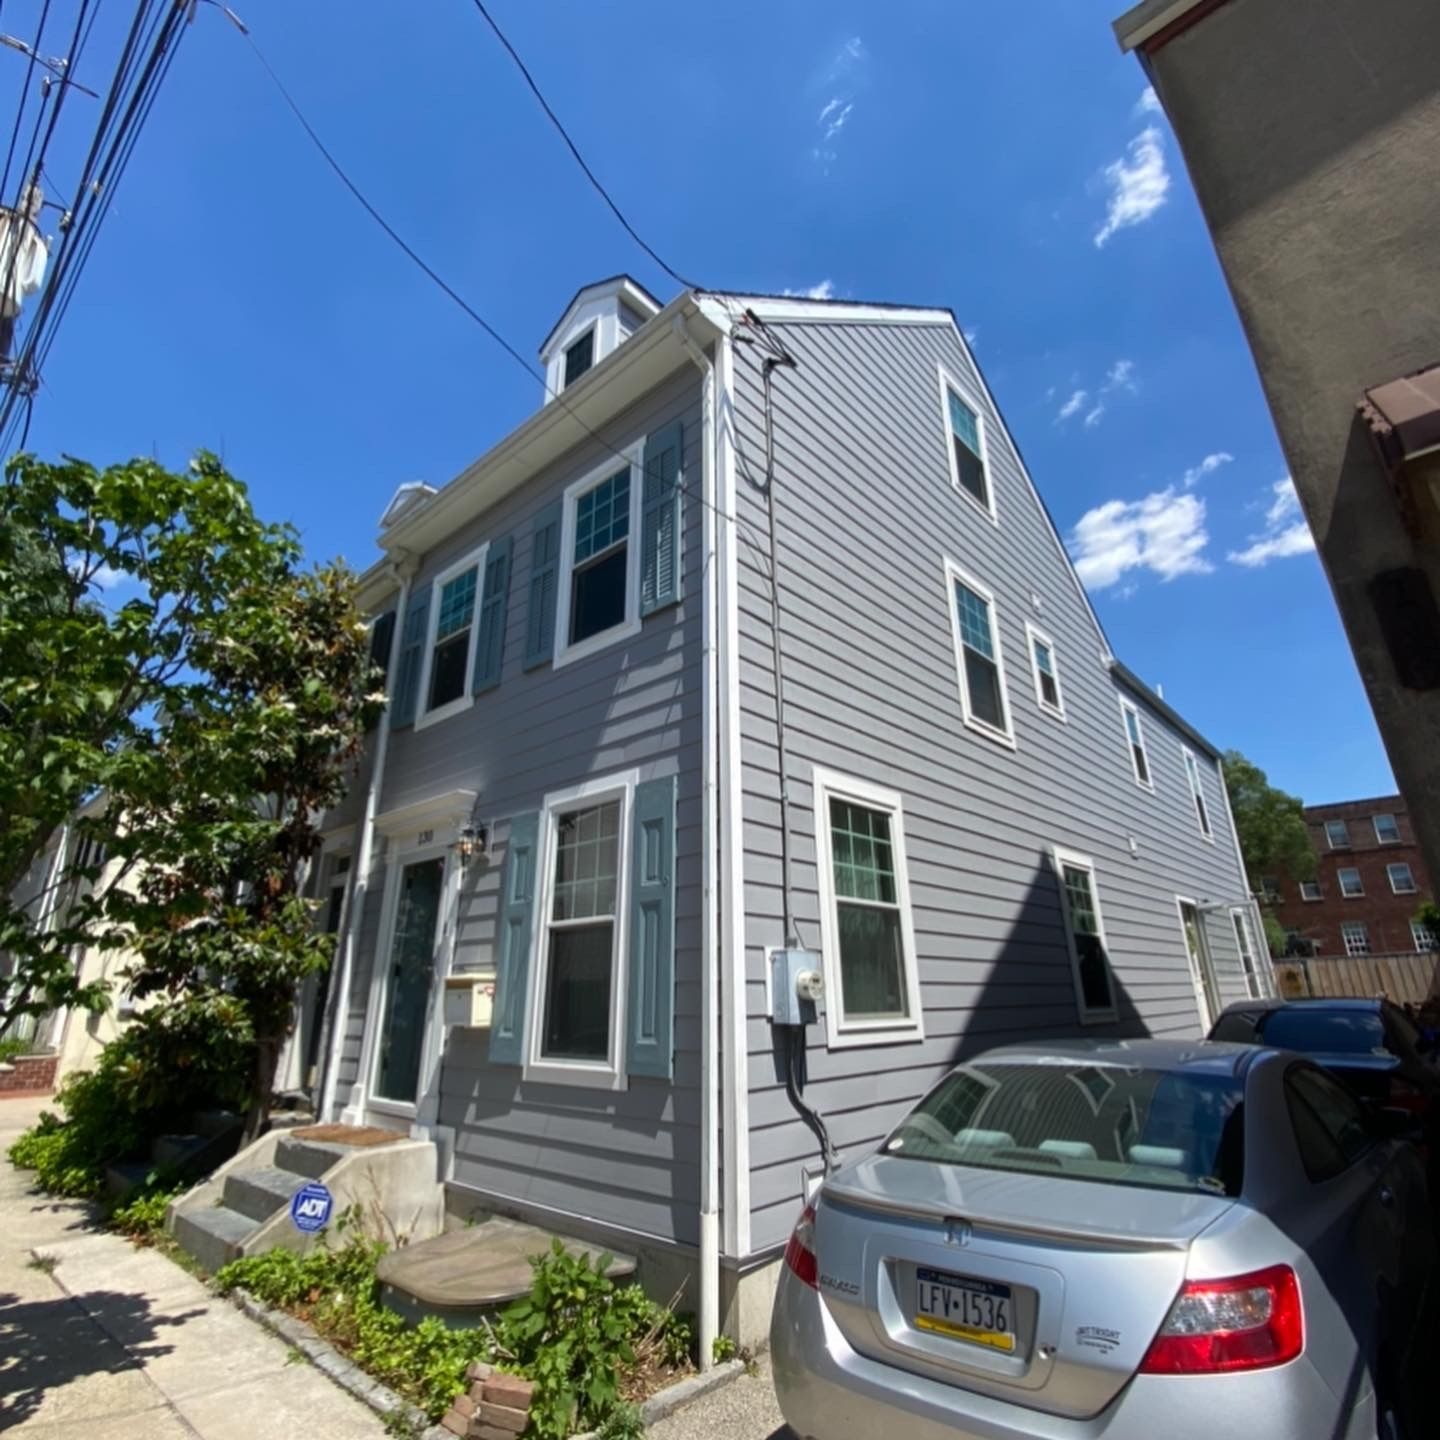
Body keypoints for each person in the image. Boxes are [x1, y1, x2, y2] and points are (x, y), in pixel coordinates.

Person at [0, 185, 48, 363]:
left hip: (10, 302)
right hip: (11, 303)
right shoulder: (13, 224)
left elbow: (32, 282)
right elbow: (32, 283)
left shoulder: (25, 232)